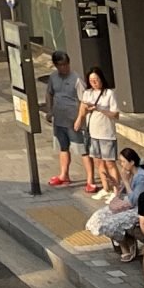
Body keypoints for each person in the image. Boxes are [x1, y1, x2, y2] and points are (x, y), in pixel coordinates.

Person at [44, 52, 86, 189]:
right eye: (61, 65)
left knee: (82, 149)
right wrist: (49, 110)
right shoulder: (53, 77)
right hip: (59, 118)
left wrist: (79, 118)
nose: (64, 68)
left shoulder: (76, 79)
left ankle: (90, 179)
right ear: (56, 65)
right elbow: (49, 93)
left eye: (66, 64)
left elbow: (83, 100)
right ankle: (64, 175)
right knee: (63, 147)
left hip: (73, 119)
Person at [78, 66, 122, 198]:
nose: (94, 82)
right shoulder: (87, 93)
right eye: (91, 80)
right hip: (93, 133)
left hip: (107, 133)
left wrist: (99, 108)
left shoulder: (109, 93)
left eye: (96, 79)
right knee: (98, 162)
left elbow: (115, 114)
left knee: (110, 162)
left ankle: (117, 190)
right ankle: (105, 187)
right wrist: (81, 116)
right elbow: (82, 109)